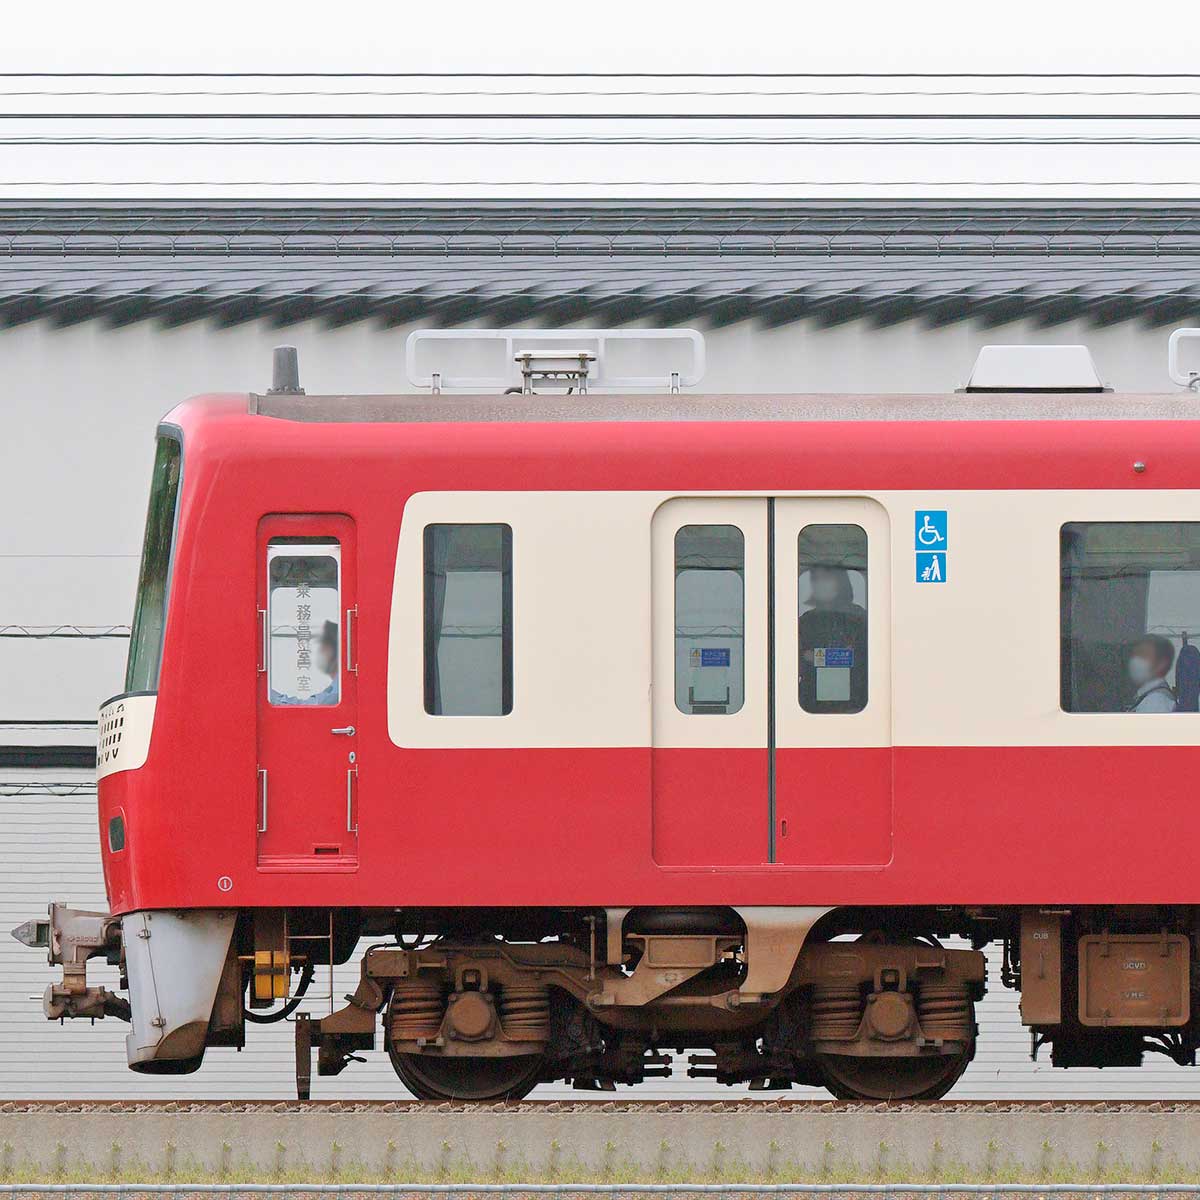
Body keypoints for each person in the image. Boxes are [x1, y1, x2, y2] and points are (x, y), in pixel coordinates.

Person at [799, 564, 867, 712]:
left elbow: (864, 657)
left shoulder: (859, 619)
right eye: (815, 580)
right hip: (810, 705)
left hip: (856, 704)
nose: (819, 585)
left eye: (826, 579)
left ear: (840, 584)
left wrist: (816, 657)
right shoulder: (806, 621)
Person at [271, 620, 340, 706]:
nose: (320, 652)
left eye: (323, 647)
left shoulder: (341, 687)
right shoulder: (337, 684)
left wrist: (266, 694)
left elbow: (310, 707)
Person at [1126, 634, 1176, 713]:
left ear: (1161, 664)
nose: (1135, 662)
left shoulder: (1156, 701)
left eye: (1143, 656)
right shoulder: (1146, 696)